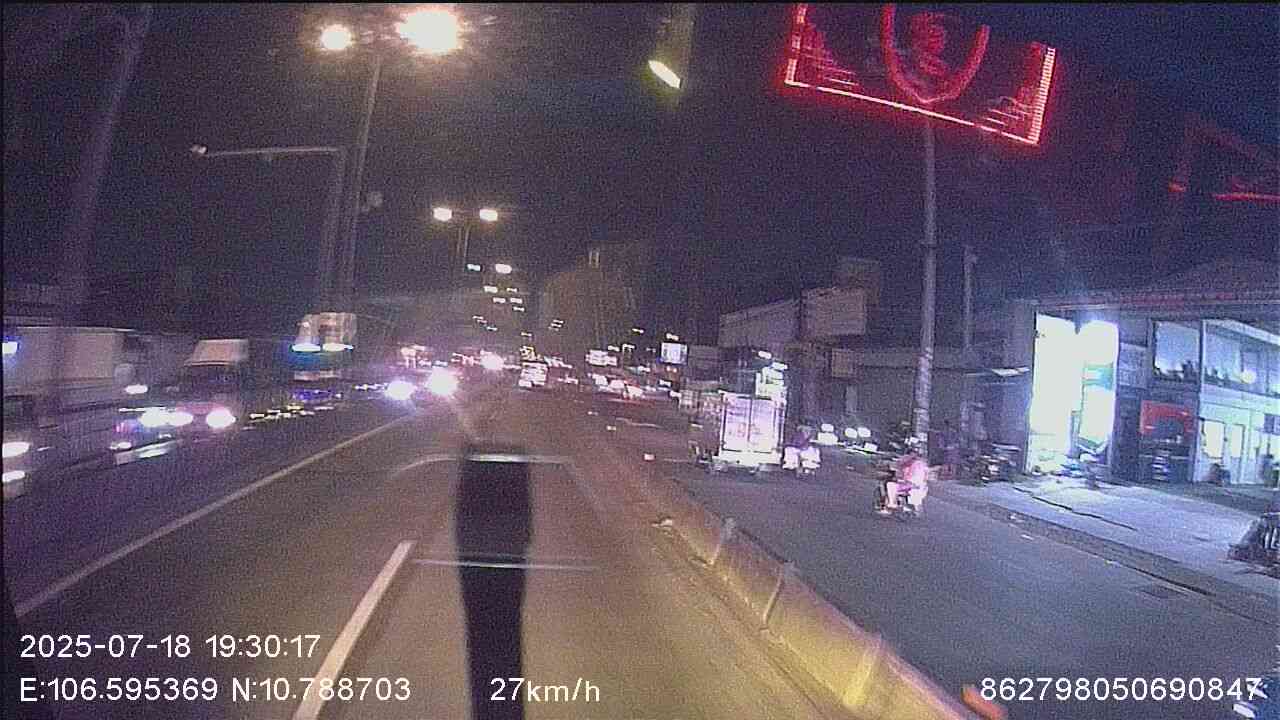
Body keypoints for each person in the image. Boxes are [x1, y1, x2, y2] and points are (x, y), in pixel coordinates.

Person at [882, 438, 929, 513]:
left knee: (891, 485)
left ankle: (892, 503)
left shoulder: (911, 460)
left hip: (912, 482)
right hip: (918, 484)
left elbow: (900, 465)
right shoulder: (922, 463)